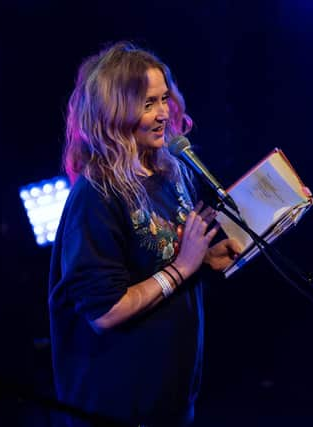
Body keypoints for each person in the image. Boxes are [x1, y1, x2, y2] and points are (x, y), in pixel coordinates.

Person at [48, 41, 241, 427]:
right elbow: (103, 311)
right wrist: (184, 268)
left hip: (170, 398)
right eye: (147, 103)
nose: (163, 114)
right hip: (116, 404)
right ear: (115, 112)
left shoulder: (173, 170)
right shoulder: (98, 193)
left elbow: (162, 257)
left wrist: (203, 258)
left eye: (164, 99)